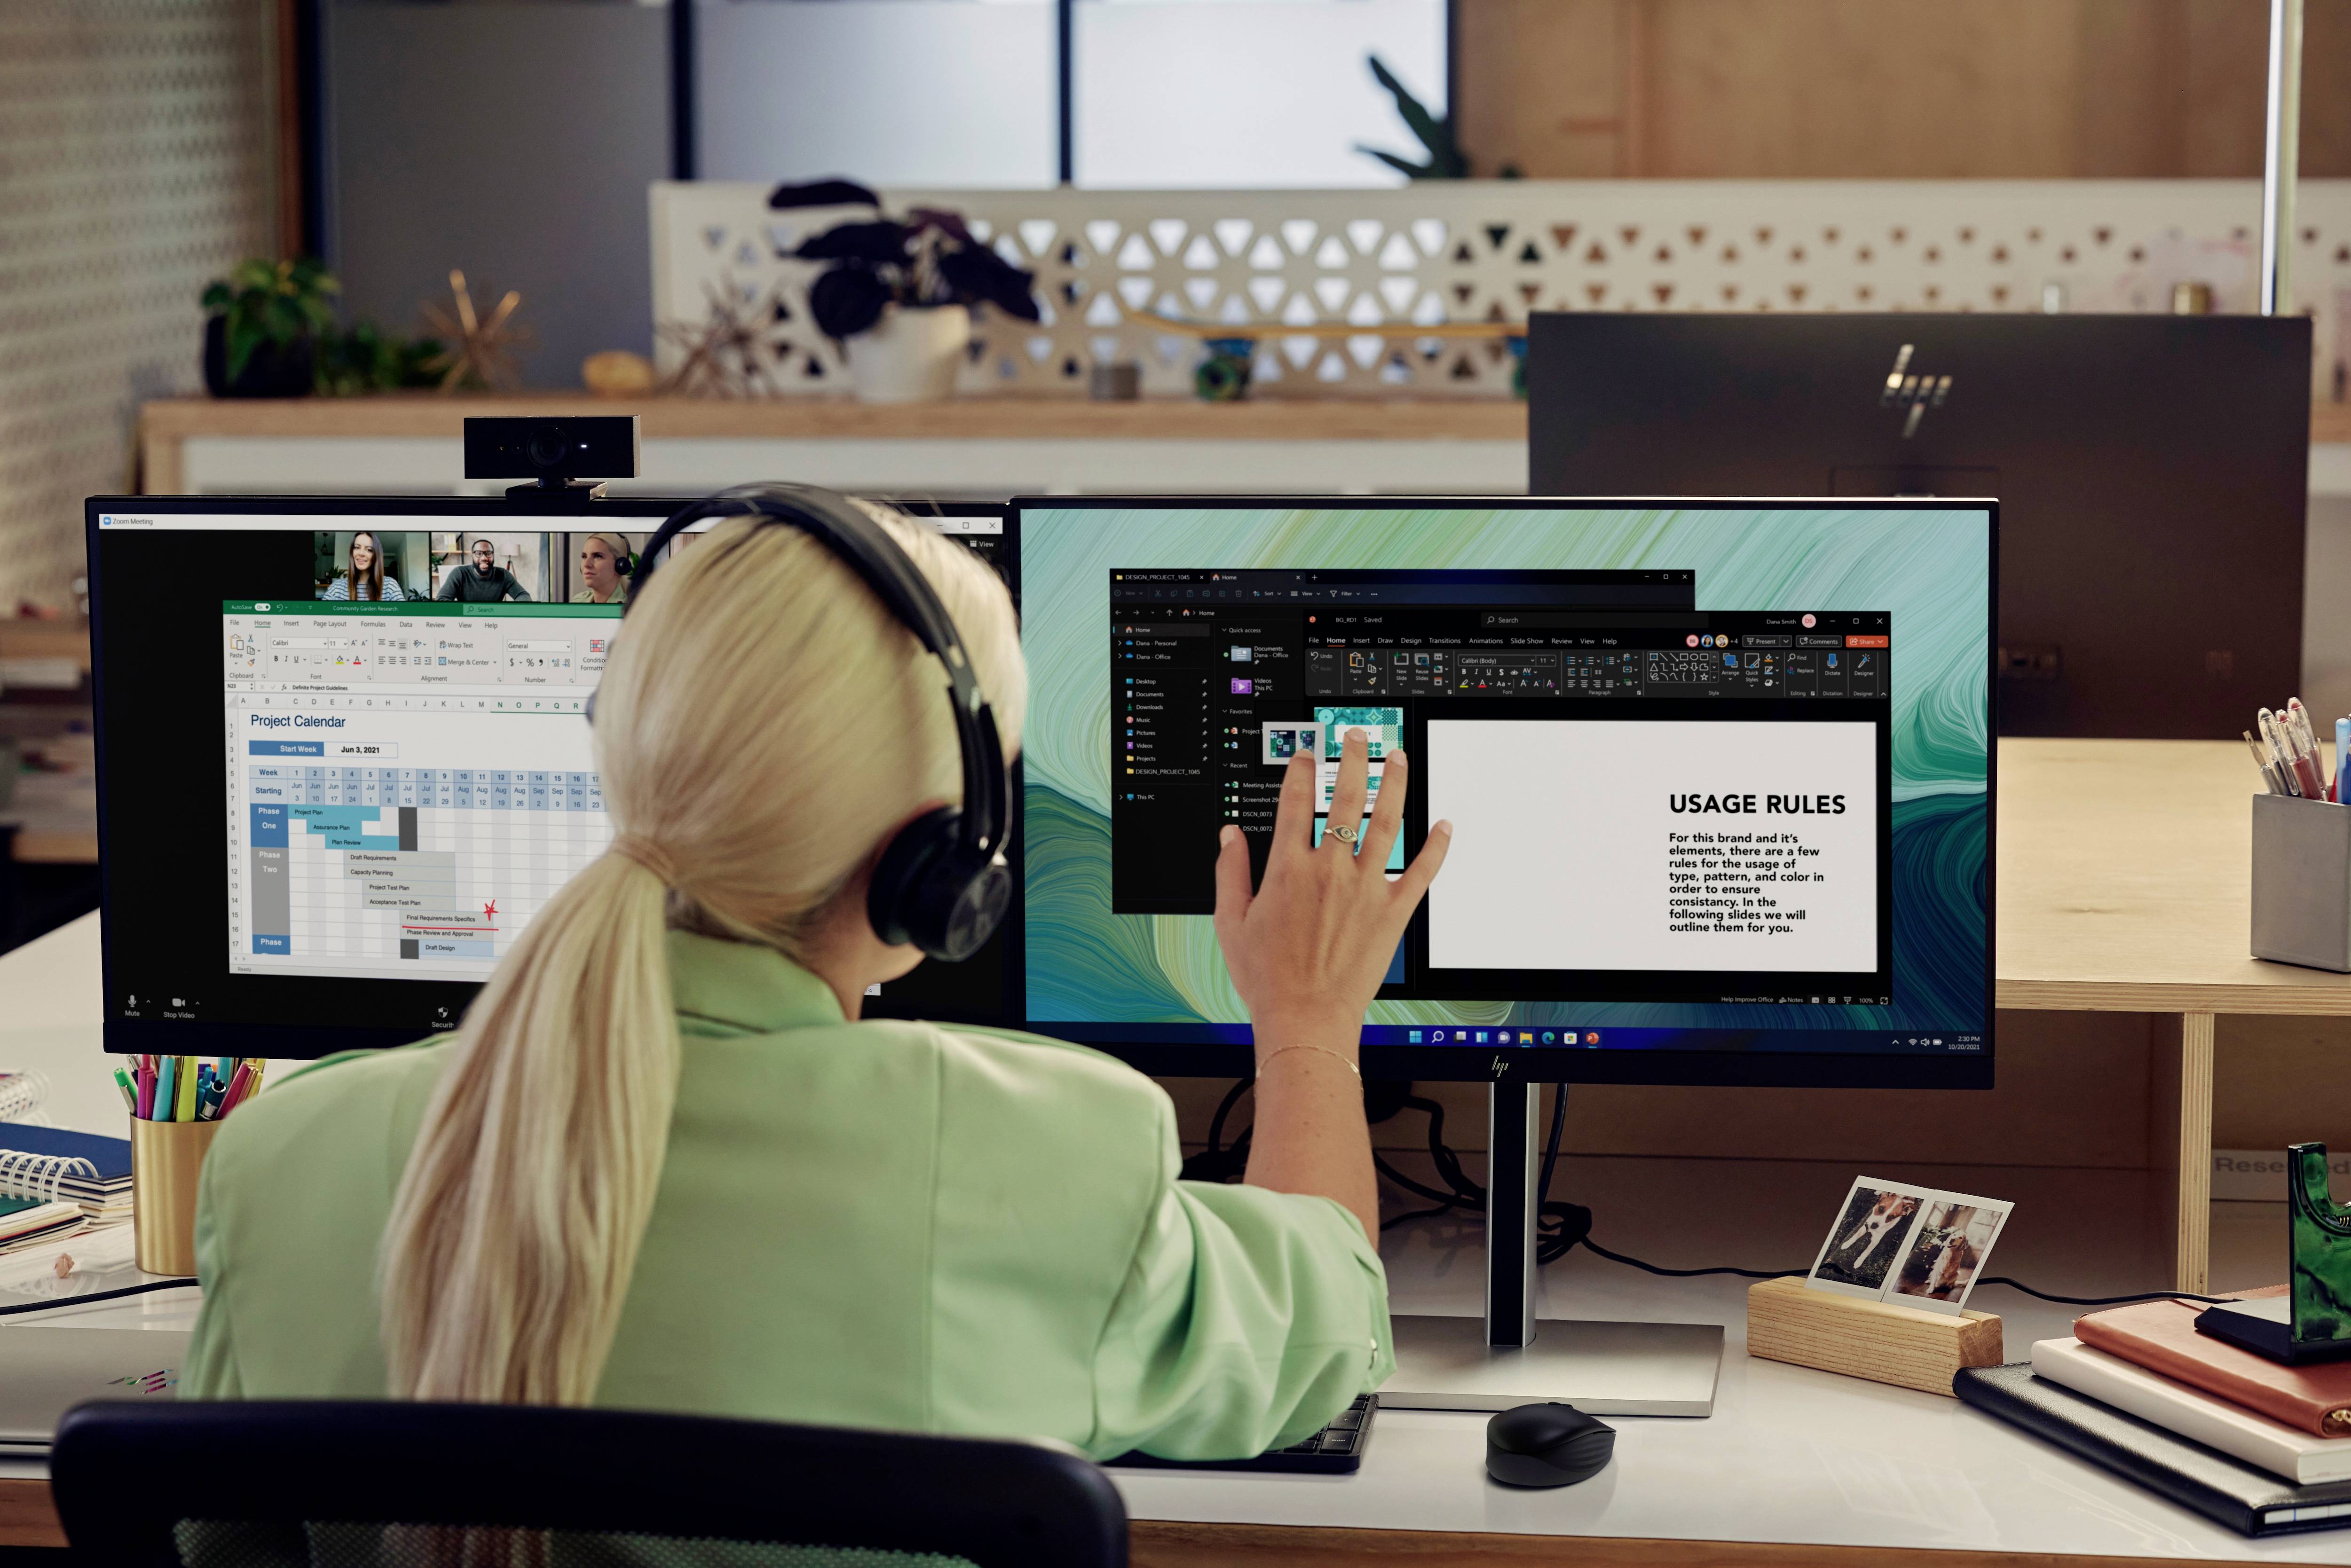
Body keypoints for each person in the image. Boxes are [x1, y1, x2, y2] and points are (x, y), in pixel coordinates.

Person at [182, 498, 1453, 1463]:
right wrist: (1303, 1022)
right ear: (941, 853)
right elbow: (1329, 1328)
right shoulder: (1051, 1153)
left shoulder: (282, 1159)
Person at [436, 536, 532, 602]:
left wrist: (509, 610)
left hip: (494, 622)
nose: (484, 558)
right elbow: (441, 600)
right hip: (466, 622)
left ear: (493, 556)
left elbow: (524, 596)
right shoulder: (459, 573)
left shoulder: (504, 575)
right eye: (478, 553)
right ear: (472, 557)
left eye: (489, 553)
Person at [320, 531, 404, 601]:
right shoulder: (336, 588)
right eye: (357, 548)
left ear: (376, 555)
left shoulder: (390, 586)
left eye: (369, 550)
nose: (361, 553)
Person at [569, 532, 631, 604]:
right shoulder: (577, 602)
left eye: (598, 556)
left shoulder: (632, 609)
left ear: (620, 566)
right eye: (584, 557)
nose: (586, 564)